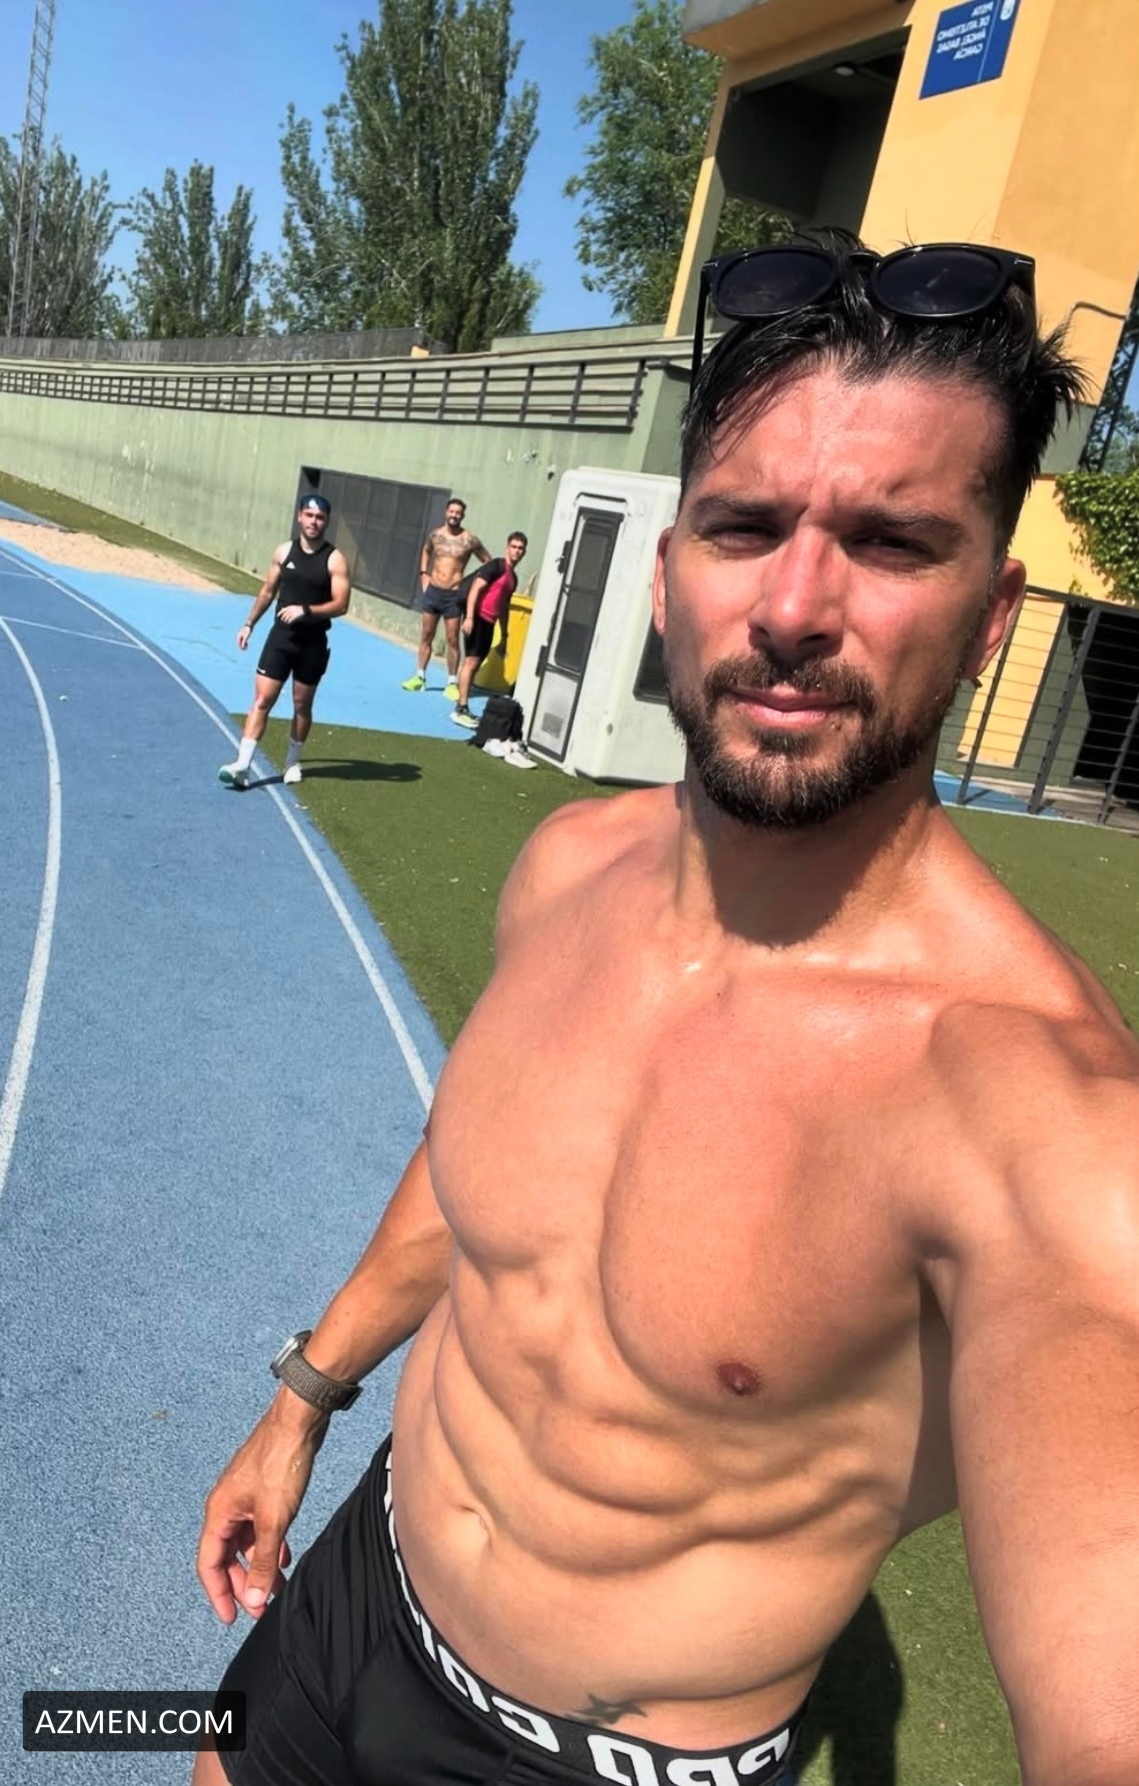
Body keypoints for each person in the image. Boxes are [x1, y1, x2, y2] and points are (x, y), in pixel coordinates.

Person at [195, 236, 1139, 1786]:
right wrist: (303, 1398)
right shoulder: (567, 868)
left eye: (891, 543)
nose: (793, 604)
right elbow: (476, 1169)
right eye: (744, 526)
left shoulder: (1038, 1114)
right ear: (665, 567)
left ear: (989, 612)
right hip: (357, 1589)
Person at [218, 493, 351, 788]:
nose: (314, 522)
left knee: (301, 705)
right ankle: (242, 765)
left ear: (326, 522)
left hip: (312, 643)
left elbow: (341, 604)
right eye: (309, 515)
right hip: (281, 639)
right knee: (262, 700)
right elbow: (268, 591)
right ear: (299, 516)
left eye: (320, 518)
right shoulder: (283, 552)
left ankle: (292, 761)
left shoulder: (334, 559)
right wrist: (249, 624)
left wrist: (306, 611)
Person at [402, 498, 489, 697]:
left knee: (452, 640)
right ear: (446, 512)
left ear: (463, 515)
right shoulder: (435, 535)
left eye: (458, 513)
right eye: (452, 511)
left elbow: (487, 561)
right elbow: (426, 551)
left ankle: (451, 683)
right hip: (433, 592)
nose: (454, 515)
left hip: (453, 597)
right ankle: (420, 677)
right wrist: (423, 574)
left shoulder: (470, 540)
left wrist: (469, 584)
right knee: (426, 636)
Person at [450, 531, 528, 728]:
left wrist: (505, 636)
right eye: (514, 547)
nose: (517, 551)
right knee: (471, 663)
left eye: (520, 548)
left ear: (524, 552)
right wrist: (469, 617)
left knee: (474, 664)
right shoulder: (495, 566)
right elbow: (475, 589)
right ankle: (460, 708)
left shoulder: (513, 578)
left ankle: (462, 705)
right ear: (507, 548)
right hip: (477, 619)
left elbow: (503, 608)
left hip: (489, 624)